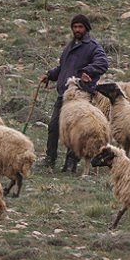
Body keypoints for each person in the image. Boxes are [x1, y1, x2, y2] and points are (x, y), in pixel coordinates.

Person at [39, 14, 110, 170]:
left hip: (80, 94)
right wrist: (50, 75)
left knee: (76, 129)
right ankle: (50, 158)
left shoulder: (92, 46)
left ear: (86, 28)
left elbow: (103, 62)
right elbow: (63, 68)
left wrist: (89, 71)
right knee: (53, 126)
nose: (77, 30)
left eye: (80, 27)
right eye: (75, 27)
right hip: (64, 94)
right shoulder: (70, 46)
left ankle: (71, 162)